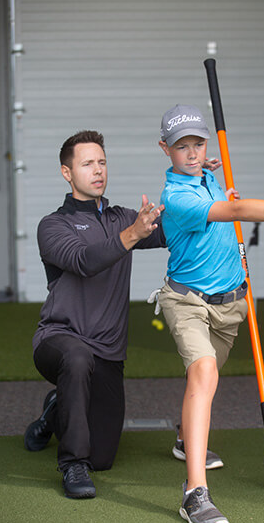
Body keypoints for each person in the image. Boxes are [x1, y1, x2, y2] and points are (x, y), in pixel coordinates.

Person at [156, 104, 264, 523]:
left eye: (198, 144)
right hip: (188, 302)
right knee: (204, 374)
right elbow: (233, 213)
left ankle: (184, 438)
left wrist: (208, 172)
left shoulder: (206, 177)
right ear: (165, 149)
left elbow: (214, 189)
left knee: (207, 376)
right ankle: (194, 493)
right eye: (182, 147)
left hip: (232, 304)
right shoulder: (176, 197)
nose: (192, 153)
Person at [24, 130, 166, 499]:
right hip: (59, 340)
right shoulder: (53, 226)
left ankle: (55, 410)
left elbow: (176, 230)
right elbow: (84, 261)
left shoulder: (123, 218)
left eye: (102, 162)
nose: (98, 170)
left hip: (107, 353)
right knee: (76, 358)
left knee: (102, 457)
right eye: (87, 163)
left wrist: (198, 182)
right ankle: (71, 464)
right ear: (67, 173)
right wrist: (133, 234)